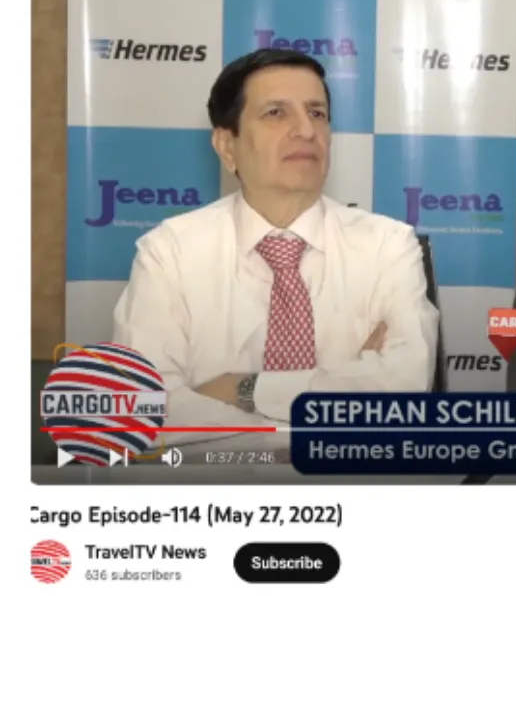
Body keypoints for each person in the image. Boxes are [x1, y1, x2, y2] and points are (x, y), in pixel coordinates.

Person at [112, 49, 439, 450]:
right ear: (226, 146)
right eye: (276, 113)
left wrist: (243, 390)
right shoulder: (170, 252)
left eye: (316, 113)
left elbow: (403, 389)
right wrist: (321, 422)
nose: (305, 130)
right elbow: (145, 408)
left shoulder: (388, 246)